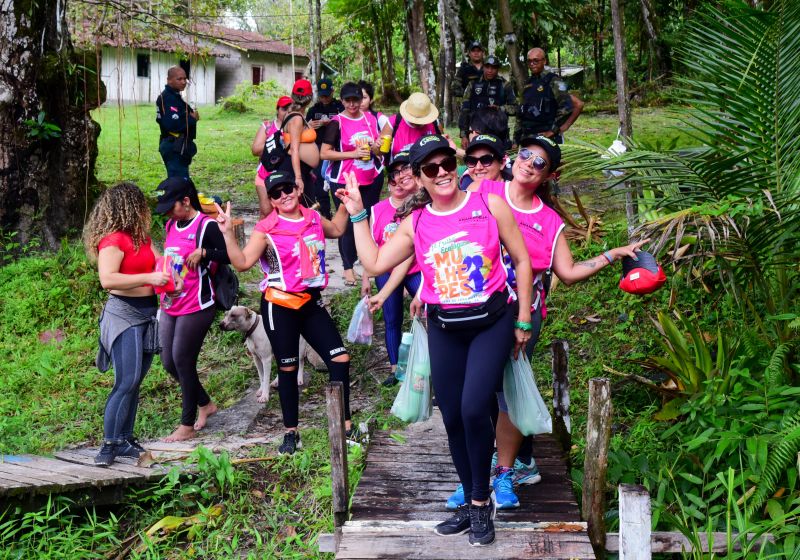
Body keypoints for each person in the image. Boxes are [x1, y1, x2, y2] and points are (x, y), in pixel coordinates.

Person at [336, 134, 533, 547]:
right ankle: (470, 501)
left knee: (475, 406)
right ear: (420, 177)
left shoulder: (488, 205)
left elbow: (522, 260)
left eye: (447, 164)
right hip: (445, 326)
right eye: (431, 168)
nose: (442, 173)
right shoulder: (417, 223)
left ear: (455, 166)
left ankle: (481, 502)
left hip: (490, 322)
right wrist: (357, 215)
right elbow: (373, 262)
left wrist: (524, 319)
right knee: (453, 418)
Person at [452, 135, 648, 510]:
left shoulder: (548, 220)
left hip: (521, 318)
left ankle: (505, 473)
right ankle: (475, 474)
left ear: (549, 174)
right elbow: (447, 229)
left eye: (539, 162)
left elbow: (569, 271)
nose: (529, 163)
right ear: (513, 158)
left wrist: (612, 254)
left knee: (507, 394)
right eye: (525, 155)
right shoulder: (483, 191)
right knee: (473, 394)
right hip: (472, 309)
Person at [213, 171, 355, 454]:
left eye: (287, 188)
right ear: (272, 199)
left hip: (310, 303)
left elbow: (338, 229)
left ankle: (345, 426)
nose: (284, 195)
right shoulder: (267, 228)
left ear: (297, 188)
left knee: (340, 359)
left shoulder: (313, 218)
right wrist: (228, 233)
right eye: (276, 193)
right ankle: (291, 433)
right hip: (280, 306)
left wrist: (345, 203)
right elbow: (241, 262)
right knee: (288, 368)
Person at [84, 182, 176, 466]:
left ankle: (124, 438)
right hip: (124, 313)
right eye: (141, 204)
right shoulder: (113, 240)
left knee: (135, 381)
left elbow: (160, 265)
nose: (145, 210)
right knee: (126, 381)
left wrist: (172, 278)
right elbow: (108, 279)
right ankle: (109, 443)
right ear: (128, 207)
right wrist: (148, 279)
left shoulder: (142, 238)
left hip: (148, 314)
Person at [155, 177, 231, 442]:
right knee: (168, 361)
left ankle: (186, 424)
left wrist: (205, 253)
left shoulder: (206, 226)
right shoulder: (170, 224)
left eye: (170, 206)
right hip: (170, 303)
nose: (166, 212)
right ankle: (205, 404)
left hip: (197, 305)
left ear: (185, 201)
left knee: (183, 359)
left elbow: (230, 255)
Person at [359, 151, 421, 387]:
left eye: (403, 172)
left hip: (415, 270)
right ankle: (397, 370)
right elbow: (372, 247)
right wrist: (367, 275)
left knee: (434, 311)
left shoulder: (419, 205)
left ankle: (430, 364)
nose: (398, 180)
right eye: (393, 176)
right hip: (385, 269)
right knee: (391, 317)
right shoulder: (378, 210)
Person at [321, 81, 388, 286]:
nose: (352, 104)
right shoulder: (337, 122)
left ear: (362, 100)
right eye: (348, 100)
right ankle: (348, 267)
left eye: (356, 100)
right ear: (341, 101)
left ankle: (368, 265)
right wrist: (353, 154)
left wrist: (376, 148)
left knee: (367, 222)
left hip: (370, 177)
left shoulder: (370, 119)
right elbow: (324, 153)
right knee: (347, 224)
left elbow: (378, 149)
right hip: (345, 180)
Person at [513, 48, 584, 145]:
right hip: (528, 137)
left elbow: (566, 107)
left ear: (544, 61)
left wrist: (553, 130)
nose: (532, 64)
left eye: (536, 60)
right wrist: (516, 140)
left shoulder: (554, 80)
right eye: (529, 61)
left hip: (548, 138)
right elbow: (521, 113)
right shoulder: (527, 84)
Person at [306, 78, 345, 218]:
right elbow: (303, 131)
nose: (324, 98)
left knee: (339, 184)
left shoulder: (340, 107)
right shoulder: (313, 110)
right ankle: (326, 215)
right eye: (322, 96)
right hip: (317, 151)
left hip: (337, 150)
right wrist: (309, 125)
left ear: (332, 92)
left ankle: (343, 215)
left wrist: (333, 123)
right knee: (319, 186)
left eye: (327, 95)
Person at [459, 56, 515, 148]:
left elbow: (516, 108)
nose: (490, 70)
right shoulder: (472, 84)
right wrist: (464, 135)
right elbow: (465, 109)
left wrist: (500, 108)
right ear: (483, 67)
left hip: (499, 134)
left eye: (493, 67)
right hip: (476, 133)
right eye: (487, 67)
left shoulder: (505, 85)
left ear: (497, 68)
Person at [252, 95, 292, 219]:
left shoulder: (297, 126)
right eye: (284, 109)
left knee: (285, 212)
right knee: (266, 211)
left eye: (290, 110)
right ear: (277, 110)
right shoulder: (268, 126)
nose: (287, 112)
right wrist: (276, 142)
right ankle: (259, 237)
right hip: (265, 174)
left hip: (287, 176)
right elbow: (255, 149)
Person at [156, 66, 199, 178]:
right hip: (173, 145)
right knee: (178, 182)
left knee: (181, 180)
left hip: (179, 145)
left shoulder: (176, 96)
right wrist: (192, 119)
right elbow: (172, 125)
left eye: (185, 79)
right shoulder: (167, 98)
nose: (183, 82)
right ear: (169, 80)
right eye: (179, 79)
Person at [283, 79, 321, 197]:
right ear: (310, 98)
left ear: (292, 96)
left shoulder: (295, 115)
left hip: (302, 169)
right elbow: (294, 149)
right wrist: (298, 177)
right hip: (294, 170)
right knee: (303, 210)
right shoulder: (296, 119)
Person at [387, 92, 441, 158]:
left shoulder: (434, 122)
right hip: (401, 167)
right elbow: (379, 152)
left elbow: (441, 144)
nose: (416, 123)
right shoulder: (395, 121)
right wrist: (377, 147)